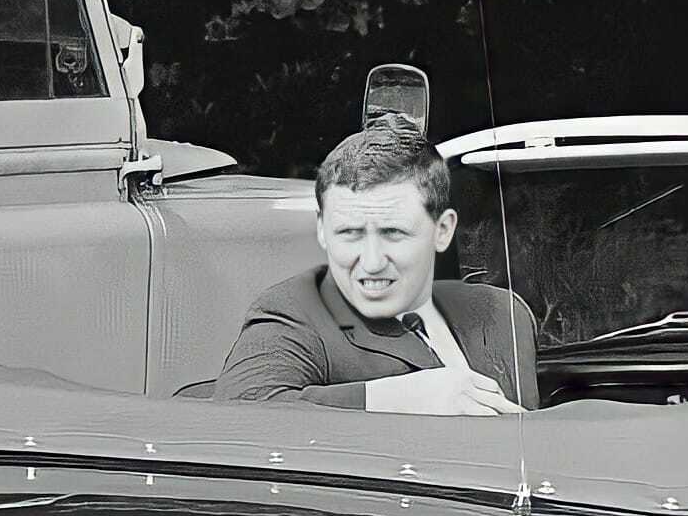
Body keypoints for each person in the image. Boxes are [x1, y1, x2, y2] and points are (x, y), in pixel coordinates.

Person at [216, 118, 536, 414]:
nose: (370, 263)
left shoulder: (501, 313)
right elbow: (237, 413)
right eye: (349, 233)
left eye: (394, 233)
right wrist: (391, 399)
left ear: (442, 231)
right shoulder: (294, 312)